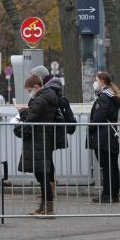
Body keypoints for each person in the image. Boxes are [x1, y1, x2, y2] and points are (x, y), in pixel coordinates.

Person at [30, 65, 76, 200]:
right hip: (52, 132)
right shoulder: (53, 91)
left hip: (49, 132)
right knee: (47, 160)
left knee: (46, 161)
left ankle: (49, 192)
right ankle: (48, 190)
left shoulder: (49, 93)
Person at [17, 73, 59, 217]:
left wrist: (22, 111)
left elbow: (30, 119)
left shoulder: (40, 99)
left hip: (39, 140)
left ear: (36, 87)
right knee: (42, 175)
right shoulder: (48, 97)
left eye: (30, 90)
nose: (30, 93)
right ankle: (44, 207)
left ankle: (48, 208)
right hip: (43, 138)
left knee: (42, 176)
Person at [88, 72, 120, 204]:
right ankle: (113, 194)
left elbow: (99, 117)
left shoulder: (104, 98)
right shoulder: (112, 95)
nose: (95, 83)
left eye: (97, 80)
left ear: (103, 82)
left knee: (107, 167)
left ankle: (107, 195)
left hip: (105, 137)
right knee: (112, 166)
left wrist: (90, 128)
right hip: (112, 136)